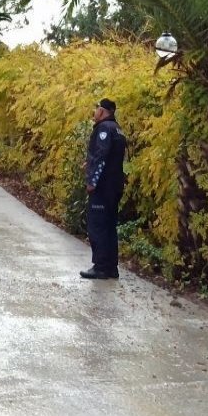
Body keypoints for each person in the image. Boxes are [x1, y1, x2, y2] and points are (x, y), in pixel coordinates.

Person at [81, 98, 128, 280]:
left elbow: (101, 156)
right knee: (110, 226)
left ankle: (100, 267)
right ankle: (111, 267)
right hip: (115, 186)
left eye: (96, 109)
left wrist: (92, 181)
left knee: (98, 225)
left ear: (101, 111)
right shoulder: (118, 129)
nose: (94, 113)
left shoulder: (103, 129)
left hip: (103, 187)